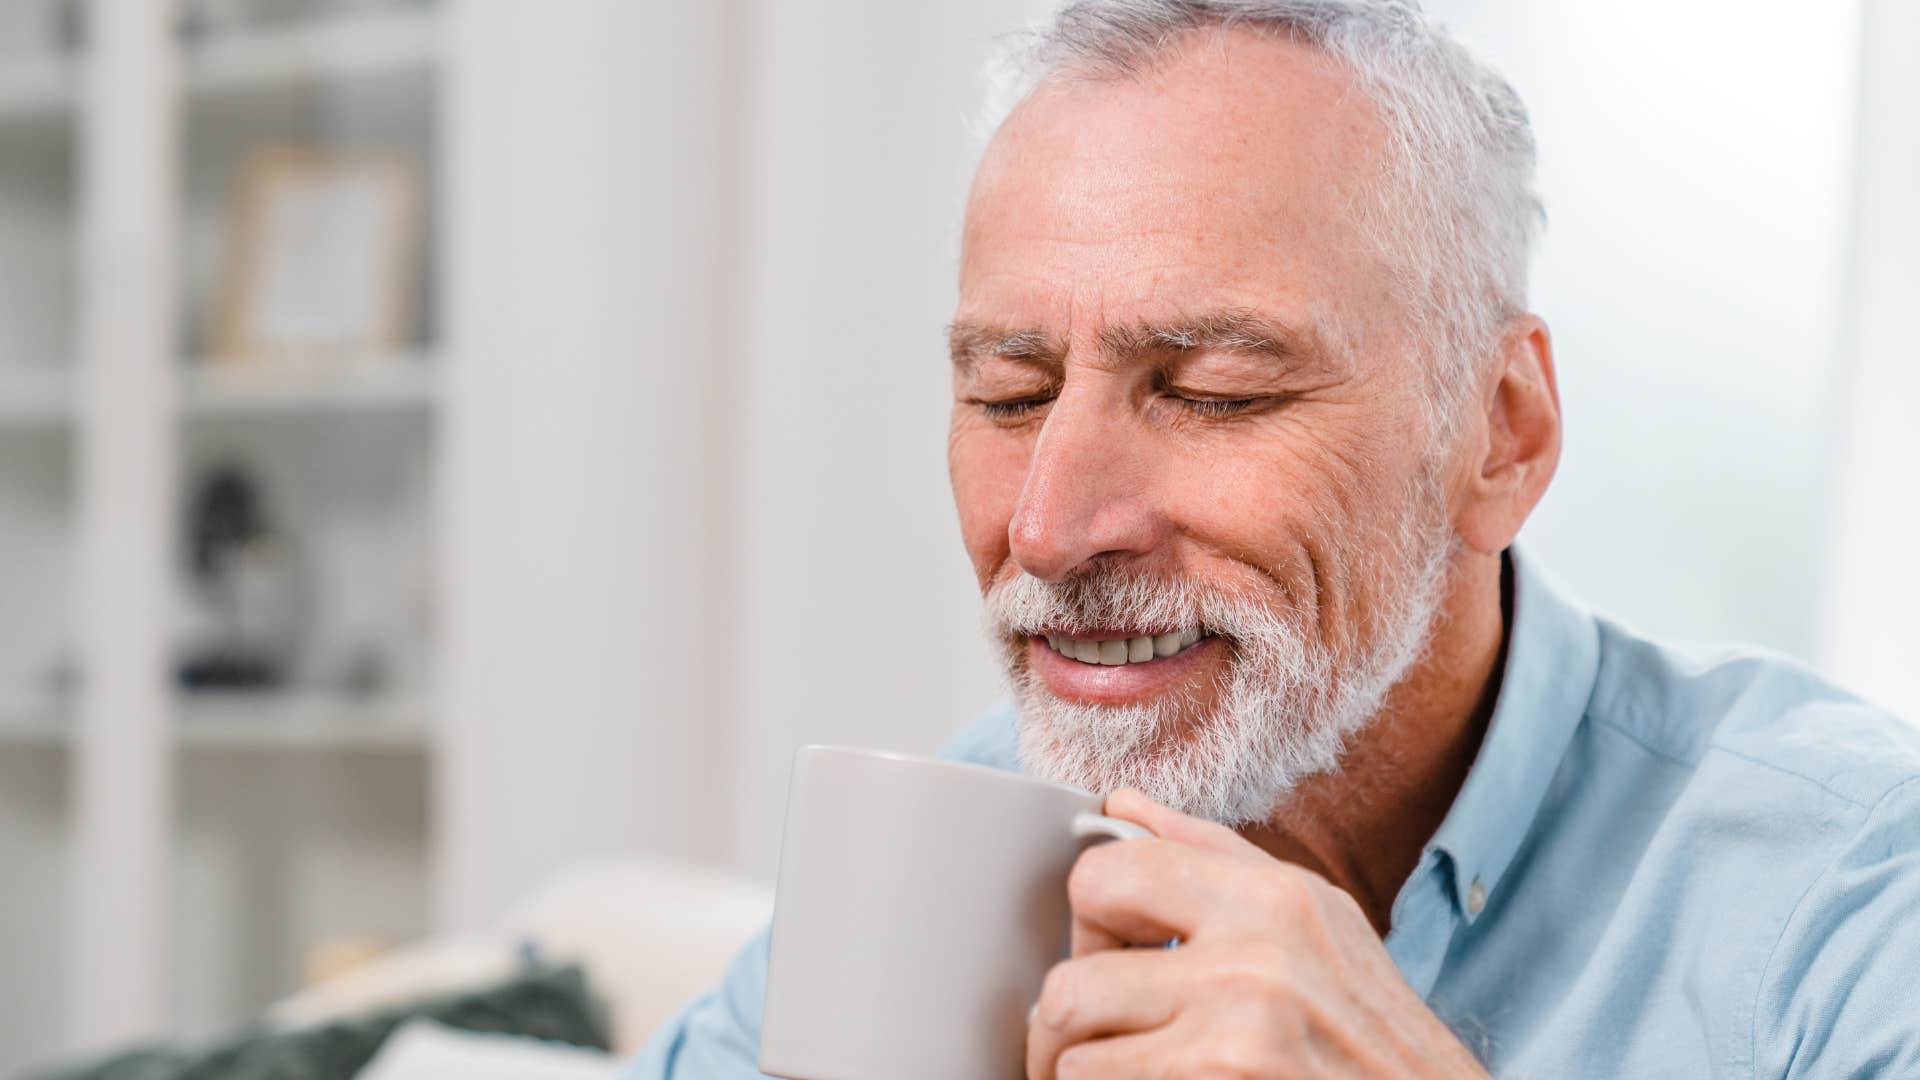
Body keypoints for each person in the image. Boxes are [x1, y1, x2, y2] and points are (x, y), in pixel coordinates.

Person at [628, 1, 1920, 1075]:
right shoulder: (953, 840)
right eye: (1009, 397)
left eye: (1215, 393)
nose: (1051, 528)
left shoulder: (1851, 890)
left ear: (1503, 435)